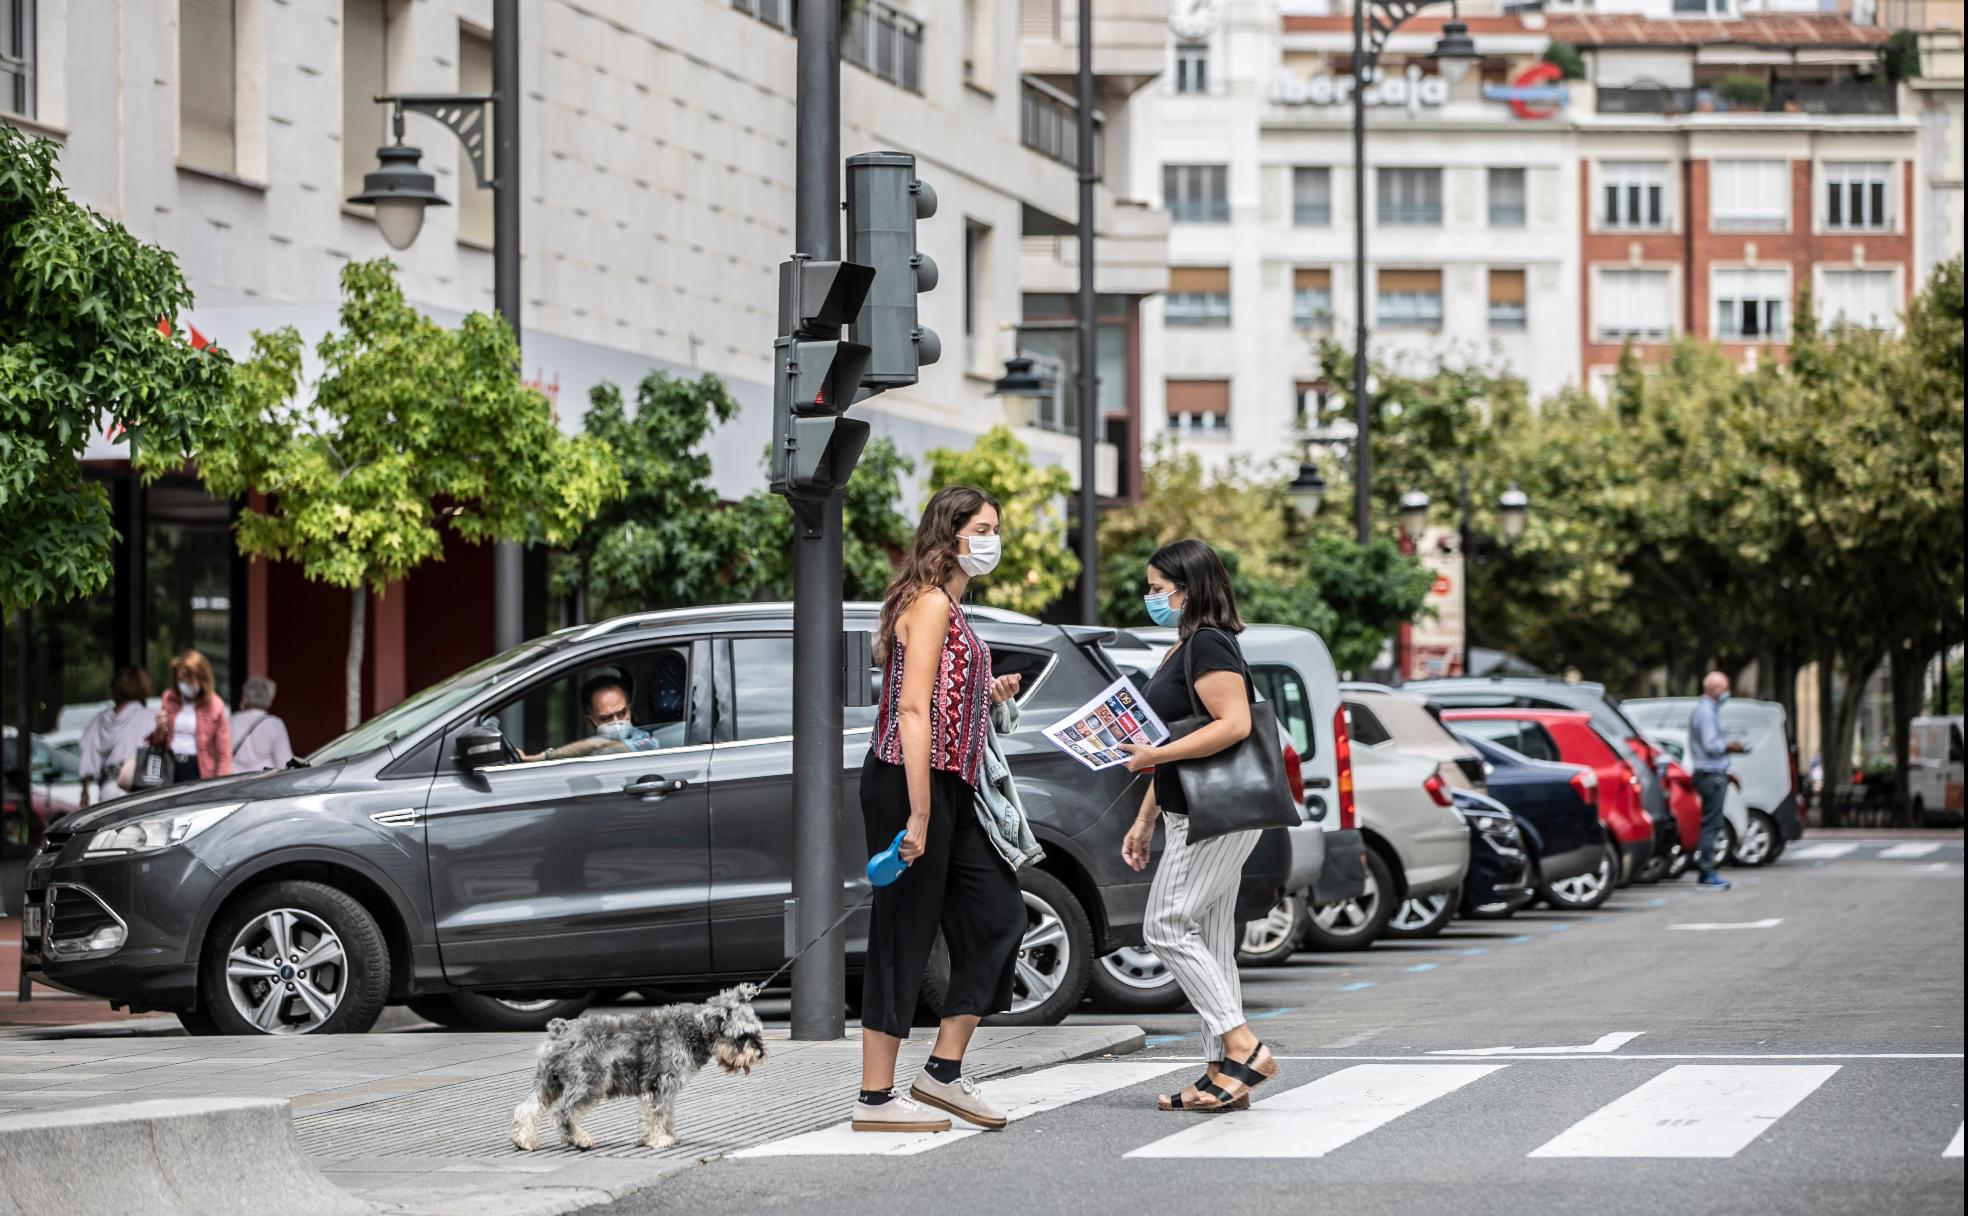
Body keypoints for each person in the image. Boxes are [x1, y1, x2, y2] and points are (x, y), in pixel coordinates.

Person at [854, 485, 1025, 1135]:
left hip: (952, 784)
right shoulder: (927, 603)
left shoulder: (951, 605)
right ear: (950, 534)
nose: (992, 539)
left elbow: (950, 700)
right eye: (983, 527)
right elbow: (912, 710)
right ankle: (873, 1099)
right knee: (904, 929)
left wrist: (991, 686)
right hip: (907, 781)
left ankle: (942, 1075)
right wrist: (919, 815)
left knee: (999, 916)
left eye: (995, 528)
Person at [1116, 538, 1279, 1113]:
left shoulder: (1208, 643)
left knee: (1164, 926)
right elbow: (1175, 741)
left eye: (1159, 589)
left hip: (1217, 816)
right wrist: (1144, 818)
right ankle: (1221, 1074)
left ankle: (1244, 1047)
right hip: (1194, 810)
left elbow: (1232, 725)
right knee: (1209, 940)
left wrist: (1152, 759)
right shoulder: (1184, 648)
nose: (1150, 598)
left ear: (1189, 590)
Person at [1687, 670, 1746, 891]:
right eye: (1724, 688)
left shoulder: (1707, 710)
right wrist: (1729, 746)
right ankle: (1706, 872)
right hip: (1710, 775)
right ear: (1714, 690)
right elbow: (1711, 745)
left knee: (1712, 823)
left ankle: (1707, 871)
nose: (1726, 692)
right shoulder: (1705, 712)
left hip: (1711, 774)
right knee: (1711, 824)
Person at [527, 675, 661, 762]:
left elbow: (607, 748)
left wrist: (546, 756)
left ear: (629, 710)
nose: (616, 722)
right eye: (606, 718)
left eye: (621, 713)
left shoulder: (646, 742)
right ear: (590, 722)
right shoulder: (588, 752)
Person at [77, 667, 154, 807]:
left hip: (108, 788)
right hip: (136, 787)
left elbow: (87, 755)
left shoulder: (101, 719)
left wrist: (84, 791)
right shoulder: (148, 716)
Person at [151, 650, 232, 784]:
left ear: (201, 679)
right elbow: (157, 742)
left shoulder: (215, 705)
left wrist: (220, 785)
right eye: (180, 680)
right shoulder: (168, 698)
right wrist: (160, 728)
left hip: (199, 769)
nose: (184, 685)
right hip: (169, 767)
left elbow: (224, 753)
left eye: (189, 680)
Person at [231, 677, 295, 773]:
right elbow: (285, 763)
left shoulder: (231, 721)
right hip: (263, 782)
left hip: (233, 782)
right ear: (269, 700)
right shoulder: (275, 724)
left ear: (245, 697)